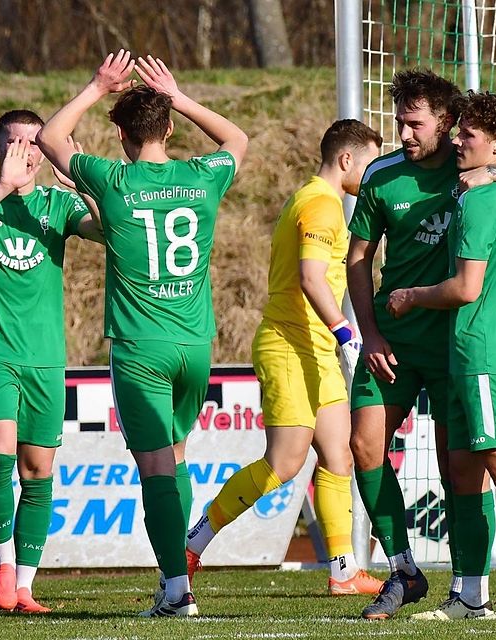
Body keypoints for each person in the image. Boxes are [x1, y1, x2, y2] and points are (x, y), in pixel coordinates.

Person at [345, 69, 496, 621]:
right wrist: (369, 330)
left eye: (414, 122)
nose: (403, 132)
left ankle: (484, 589)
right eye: (399, 120)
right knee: (364, 445)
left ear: (447, 125)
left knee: (467, 469)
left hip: (460, 343)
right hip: (394, 340)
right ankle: (403, 569)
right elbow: (357, 258)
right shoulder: (382, 176)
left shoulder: (476, 168)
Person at [36, 50, 247, 618]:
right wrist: (180, 97)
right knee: (177, 459)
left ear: (122, 134)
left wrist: (96, 86)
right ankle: (173, 580)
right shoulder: (201, 176)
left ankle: (178, 591)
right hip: (195, 346)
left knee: (155, 467)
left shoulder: (111, 179)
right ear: (170, 128)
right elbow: (238, 141)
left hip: (141, 350)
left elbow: (52, 137)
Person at [183, 119, 383, 596]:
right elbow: (312, 278)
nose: (374, 175)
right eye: (371, 163)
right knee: (284, 463)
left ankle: (343, 571)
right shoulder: (320, 205)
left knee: (338, 458)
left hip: (317, 346)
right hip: (291, 345)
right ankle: (192, 544)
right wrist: (346, 333)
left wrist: (335, 338)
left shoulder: (321, 200)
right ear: (347, 160)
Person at [0, 109, 104, 614]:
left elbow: (109, 229)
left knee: (38, 472)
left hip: (45, 358)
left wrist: (81, 180)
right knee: (1, 453)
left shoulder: (57, 203)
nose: (26, 152)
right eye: (14, 143)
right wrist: (2, 189)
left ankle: (25, 585)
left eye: (35, 143)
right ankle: (3, 566)